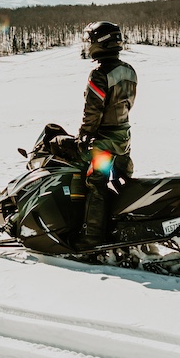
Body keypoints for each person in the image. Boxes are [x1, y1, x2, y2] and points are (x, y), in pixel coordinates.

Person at [74, 20, 137, 251]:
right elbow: (129, 103)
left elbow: (93, 111)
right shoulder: (129, 70)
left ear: (99, 43)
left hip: (103, 141)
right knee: (124, 183)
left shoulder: (100, 74)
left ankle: (92, 238)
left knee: (95, 183)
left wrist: (84, 136)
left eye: (90, 40)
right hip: (124, 135)